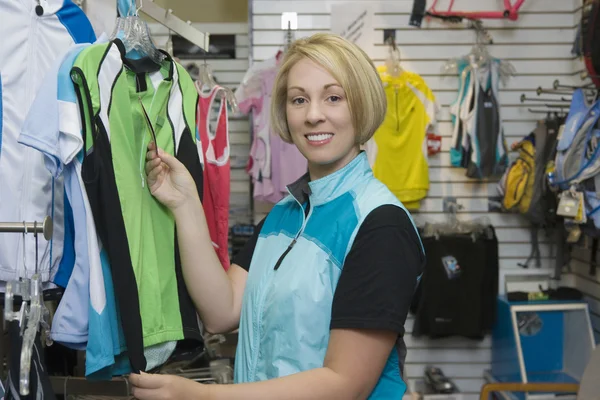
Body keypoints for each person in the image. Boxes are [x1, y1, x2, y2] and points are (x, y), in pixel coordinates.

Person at [129, 32, 425, 399]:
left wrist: (201, 396)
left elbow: (344, 384)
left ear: (362, 105)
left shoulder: (380, 225)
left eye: (333, 98)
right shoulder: (285, 214)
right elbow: (223, 310)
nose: (314, 115)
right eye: (299, 100)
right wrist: (185, 202)